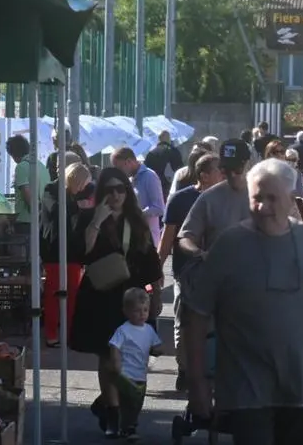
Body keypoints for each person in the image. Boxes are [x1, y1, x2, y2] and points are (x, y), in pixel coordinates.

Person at [184, 159, 303, 445]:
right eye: (257, 198)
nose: (263, 206)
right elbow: (195, 315)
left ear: (290, 199)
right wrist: (197, 384)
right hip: (248, 387)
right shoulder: (229, 245)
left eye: (272, 198)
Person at [70, 167, 162, 438]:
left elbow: (151, 262)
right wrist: (96, 220)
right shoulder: (89, 216)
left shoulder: (137, 220)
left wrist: (155, 294)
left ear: (127, 191)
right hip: (101, 295)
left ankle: (115, 408)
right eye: (109, 189)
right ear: (101, 193)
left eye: (120, 188)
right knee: (109, 356)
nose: (115, 194)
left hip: (132, 296)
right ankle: (113, 415)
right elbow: (81, 254)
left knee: (133, 359)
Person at [158, 154, 223, 392]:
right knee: (183, 323)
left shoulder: (229, 199)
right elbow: (168, 239)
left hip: (219, 277)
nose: (224, 174)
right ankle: (185, 367)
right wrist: (157, 269)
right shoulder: (180, 199)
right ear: (204, 176)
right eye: (219, 171)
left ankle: (210, 372)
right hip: (186, 274)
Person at [40, 155, 87, 348]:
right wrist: (77, 205)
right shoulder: (51, 189)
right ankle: (52, 334)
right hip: (54, 249)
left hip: (74, 250)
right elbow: (54, 210)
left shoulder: (80, 191)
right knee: (53, 293)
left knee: (73, 294)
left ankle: (70, 333)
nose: (59, 169)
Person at [177, 138, 252, 258]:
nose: (232, 174)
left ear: (248, 163)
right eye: (226, 170)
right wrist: (199, 253)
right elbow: (186, 237)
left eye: (237, 169)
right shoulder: (209, 198)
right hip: (221, 272)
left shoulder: (267, 194)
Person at [108, 287, 163, 441]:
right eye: (137, 311)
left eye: (145, 310)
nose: (142, 314)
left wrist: (158, 349)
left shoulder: (149, 330)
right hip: (126, 373)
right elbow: (114, 346)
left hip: (141, 374)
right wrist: (116, 362)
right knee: (128, 403)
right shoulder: (123, 330)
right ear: (126, 311)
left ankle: (127, 423)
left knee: (138, 402)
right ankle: (129, 427)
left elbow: (155, 345)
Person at [110, 147, 165, 249]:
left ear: (129, 162)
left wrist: (136, 214)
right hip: (132, 239)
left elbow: (159, 208)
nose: (119, 173)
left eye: (120, 168)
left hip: (148, 240)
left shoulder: (150, 176)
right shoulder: (129, 179)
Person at [6, 134, 49, 236]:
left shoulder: (21, 167)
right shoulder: (41, 166)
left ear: (13, 154)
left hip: (26, 222)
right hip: (42, 220)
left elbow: (28, 197)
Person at [145, 130, 184, 201]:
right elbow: (180, 172)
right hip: (169, 189)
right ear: (168, 139)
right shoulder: (173, 151)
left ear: (159, 139)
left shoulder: (150, 153)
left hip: (153, 188)